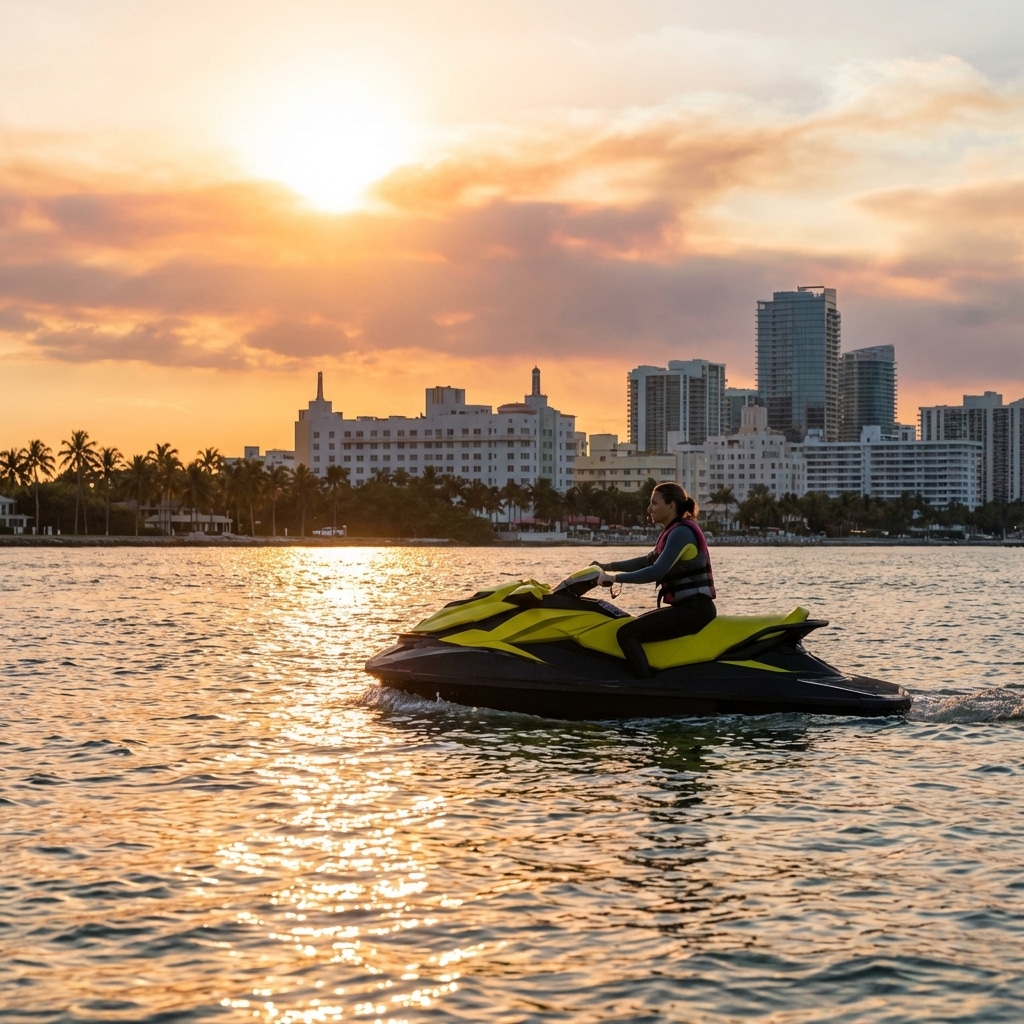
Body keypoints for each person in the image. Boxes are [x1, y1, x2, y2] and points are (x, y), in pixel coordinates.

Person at [592, 482, 716, 678]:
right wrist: (606, 567)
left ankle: (643, 683)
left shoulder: (682, 533)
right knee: (629, 624)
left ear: (671, 505)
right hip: (687, 608)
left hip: (695, 611)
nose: (649, 509)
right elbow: (646, 560)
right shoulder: (673, 531)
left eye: (654, 503)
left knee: (626, 633)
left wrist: (614, 578)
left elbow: (656, 571)